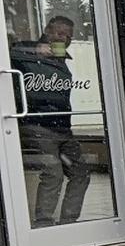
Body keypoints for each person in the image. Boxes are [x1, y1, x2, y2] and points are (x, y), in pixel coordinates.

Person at [10, 15, 90, 227]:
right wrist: (32, 51)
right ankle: (44, 225)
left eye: (67, 35)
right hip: (36, 125)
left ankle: (69, 222)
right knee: (53, 172)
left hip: (63, 128)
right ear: (47, 30)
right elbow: (7, 52)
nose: (62, 38)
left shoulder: (62, 59)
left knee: (81, 172)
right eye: (58, 32)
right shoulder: (23, 51)